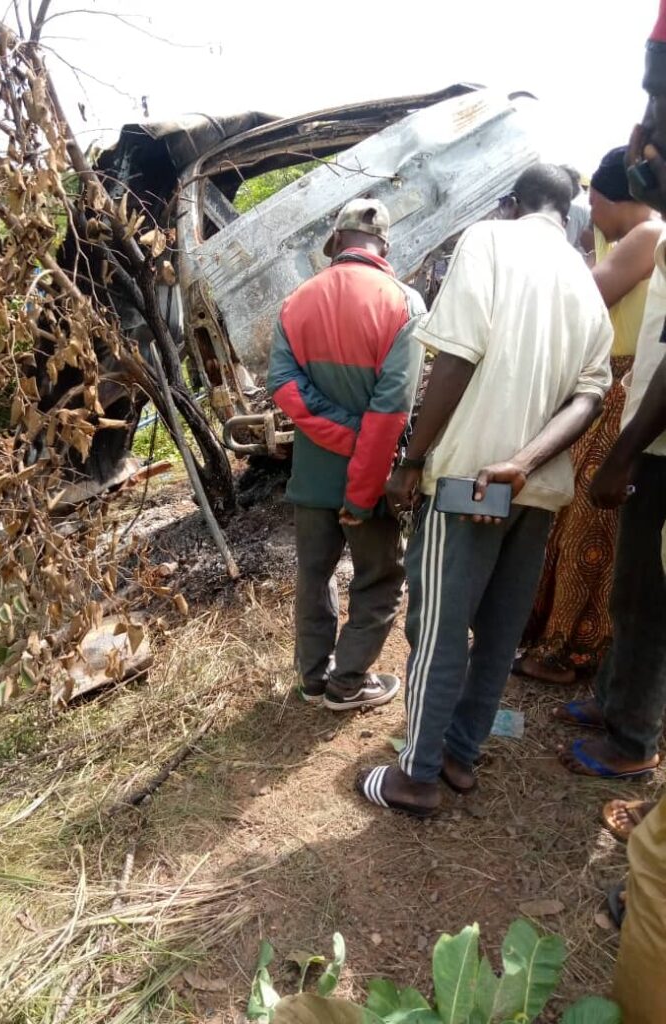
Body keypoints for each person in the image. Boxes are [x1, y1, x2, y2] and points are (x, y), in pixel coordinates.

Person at [355, 164, 612, 816]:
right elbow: (590, 397)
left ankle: (415, 777)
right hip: (534, 485)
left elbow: (458, 357)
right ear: (568, 210)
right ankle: (459, 758)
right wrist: (525, 462)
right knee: (498, 632)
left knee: (439, 629)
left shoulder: (488, 241)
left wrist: (412, 462)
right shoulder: (585, 280)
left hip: (470, 479)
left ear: (512, 201)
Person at [556, 28, 666, 782]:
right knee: (631, 583)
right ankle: (613, 697)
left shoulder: (650, 233)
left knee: (649, 593)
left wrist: (622, 454)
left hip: (657, 443)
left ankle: (632, 738)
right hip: (650, 439)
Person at [266, 198, 425, 712]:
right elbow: (392, 410)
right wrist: (361, 477)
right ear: (384, 247)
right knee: (378, 580)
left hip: (311, 479)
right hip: (373, 482)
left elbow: (284, 388)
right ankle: (348, 683)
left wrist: (341, 435)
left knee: (314, 578)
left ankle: (313, 679)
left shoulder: (296, 302)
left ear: (336, 244)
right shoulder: (405, 303)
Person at [515, 148, 661, 685]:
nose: (588, 210)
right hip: (612, 384)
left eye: (592, 199)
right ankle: (564, 643)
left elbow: (587, 297)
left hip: (625, 387)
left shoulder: (647, 235)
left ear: (608, 196)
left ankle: (572, 650)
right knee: (576, 515)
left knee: (589, 524)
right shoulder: (623, 239)